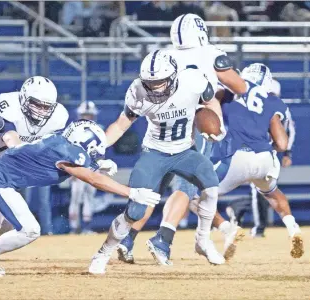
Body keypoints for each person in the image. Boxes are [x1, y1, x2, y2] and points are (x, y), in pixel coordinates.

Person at [0, 119, 160, 277]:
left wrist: (96, 165)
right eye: (93, 151)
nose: (92, 155)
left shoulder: (61, 142)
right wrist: (130, 191)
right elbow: (90, 178)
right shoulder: (69, 151)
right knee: (30, 230)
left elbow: (75, 166)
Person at [117, 13, 247, 266]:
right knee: (188, 189)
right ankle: (163, 239)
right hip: (193, 123)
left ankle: (127, 238)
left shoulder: (165, 57)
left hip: (161, 126)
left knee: (153, 190)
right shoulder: (211, 53)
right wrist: (222, 89)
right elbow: (240, 87)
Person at [89, 50, 226, 275]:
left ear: (173, 76)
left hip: (185, 151)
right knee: (135, 209)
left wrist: (215, 124)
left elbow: (210, 102)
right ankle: (103, 253)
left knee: (211, 186)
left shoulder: (193, 81)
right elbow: (121, 125)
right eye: (150, 83)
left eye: (160, 82)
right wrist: (99, 147)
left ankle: (203, 241)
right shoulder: (137, 90)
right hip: (155, 153)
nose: (155, 88)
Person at [0, 76, 69, 266]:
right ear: (24, 99)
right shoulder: (8, 105)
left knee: (8, 217)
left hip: (6, 162)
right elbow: (11, 139)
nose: (41, 111)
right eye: (36, 104)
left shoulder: (58, 117)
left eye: (45, 107)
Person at [194, 63, 304, 259]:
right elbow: (282, 142)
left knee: (194, 197)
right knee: (272, 192)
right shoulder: (271, 100)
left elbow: (211, 106)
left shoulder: (228, 92)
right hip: (264, 158)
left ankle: (227, 228)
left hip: (236, 156)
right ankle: (293, 228)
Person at [226, 78, 297, 238]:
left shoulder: (277, 107)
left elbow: (289, 131)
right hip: (256, 151)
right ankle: (255, 224)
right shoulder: (253, 106)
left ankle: (238, 210)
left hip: (266, 151)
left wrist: (287, 153)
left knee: (265, 189)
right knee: (263, 189)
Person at [69, 101, 104, 234]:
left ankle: (86, 227)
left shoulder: (99, 129)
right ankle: (74, 227)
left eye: (89, 115)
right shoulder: (73, 130)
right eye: (85, 115)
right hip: (78, 167)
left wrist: (101, 168)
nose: (87, 117)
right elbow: (69, 151)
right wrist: (71, 169)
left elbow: (102, 152)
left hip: (93, 167)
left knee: (90, 197)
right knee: (76, 197)